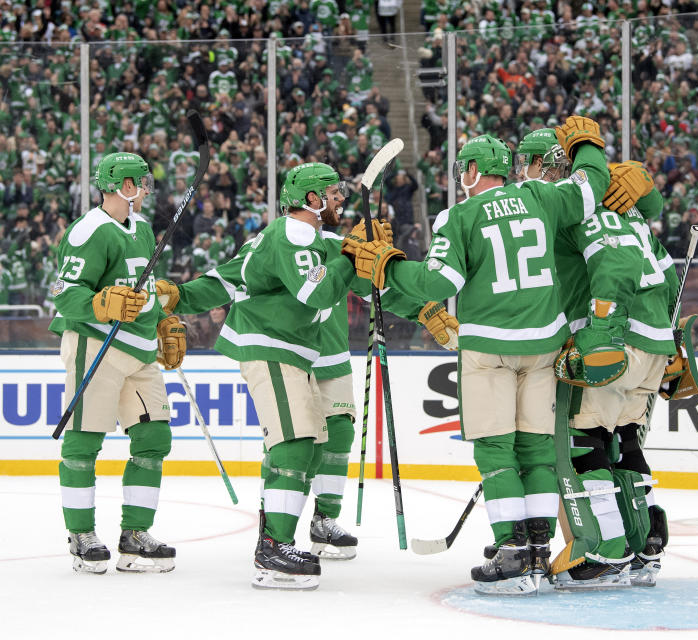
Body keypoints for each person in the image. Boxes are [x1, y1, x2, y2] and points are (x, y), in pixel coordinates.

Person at [342, 118, 611, 594]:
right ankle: (537, 550)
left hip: (489, 348)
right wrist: (588, 145)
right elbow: (591, 186)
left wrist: (388, 265)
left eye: (462, 168)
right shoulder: (540, 197)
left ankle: (512, 555)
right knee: (537, 452)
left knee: (496, 449)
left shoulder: (458, 217)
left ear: (472, 169)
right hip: (544, 346)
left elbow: (439, 284)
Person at [157, 163, 457, 581]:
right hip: (272, 345)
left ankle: (284, 535)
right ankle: (273, 549)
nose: (341, 201)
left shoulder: (316, 240)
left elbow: (233, 280)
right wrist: (178, 298)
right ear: (312, 199)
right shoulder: (289, 235)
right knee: (296, 441)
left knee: (315, 441)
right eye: (333, 194)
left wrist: (424, 309)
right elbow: (316, 289)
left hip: (298, 349)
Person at [512, 133, 674, 588]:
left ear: (554, 165)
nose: (525, 171)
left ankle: (604, 550)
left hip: (612, 340)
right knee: (625, 440)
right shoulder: (631, 209)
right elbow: (666, 271)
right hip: (653, 339)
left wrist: (601, 328)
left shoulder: (578, 210)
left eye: (530, 162)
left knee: (585, 442)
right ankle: (642, 548)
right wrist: (671, 338)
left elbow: (612, 261)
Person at [49, 152, 184, 574]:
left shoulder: (142, 227)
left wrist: (161, 321)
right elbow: (64, 294)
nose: (147, 189)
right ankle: (81, 534)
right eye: (141, 183)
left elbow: (140, 287)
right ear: (124, 186)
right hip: (95, 344)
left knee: (154, 438)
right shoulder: (88, 231)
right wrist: (99, 303)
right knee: (84, 441)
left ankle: (135, 535)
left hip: (139, 349)